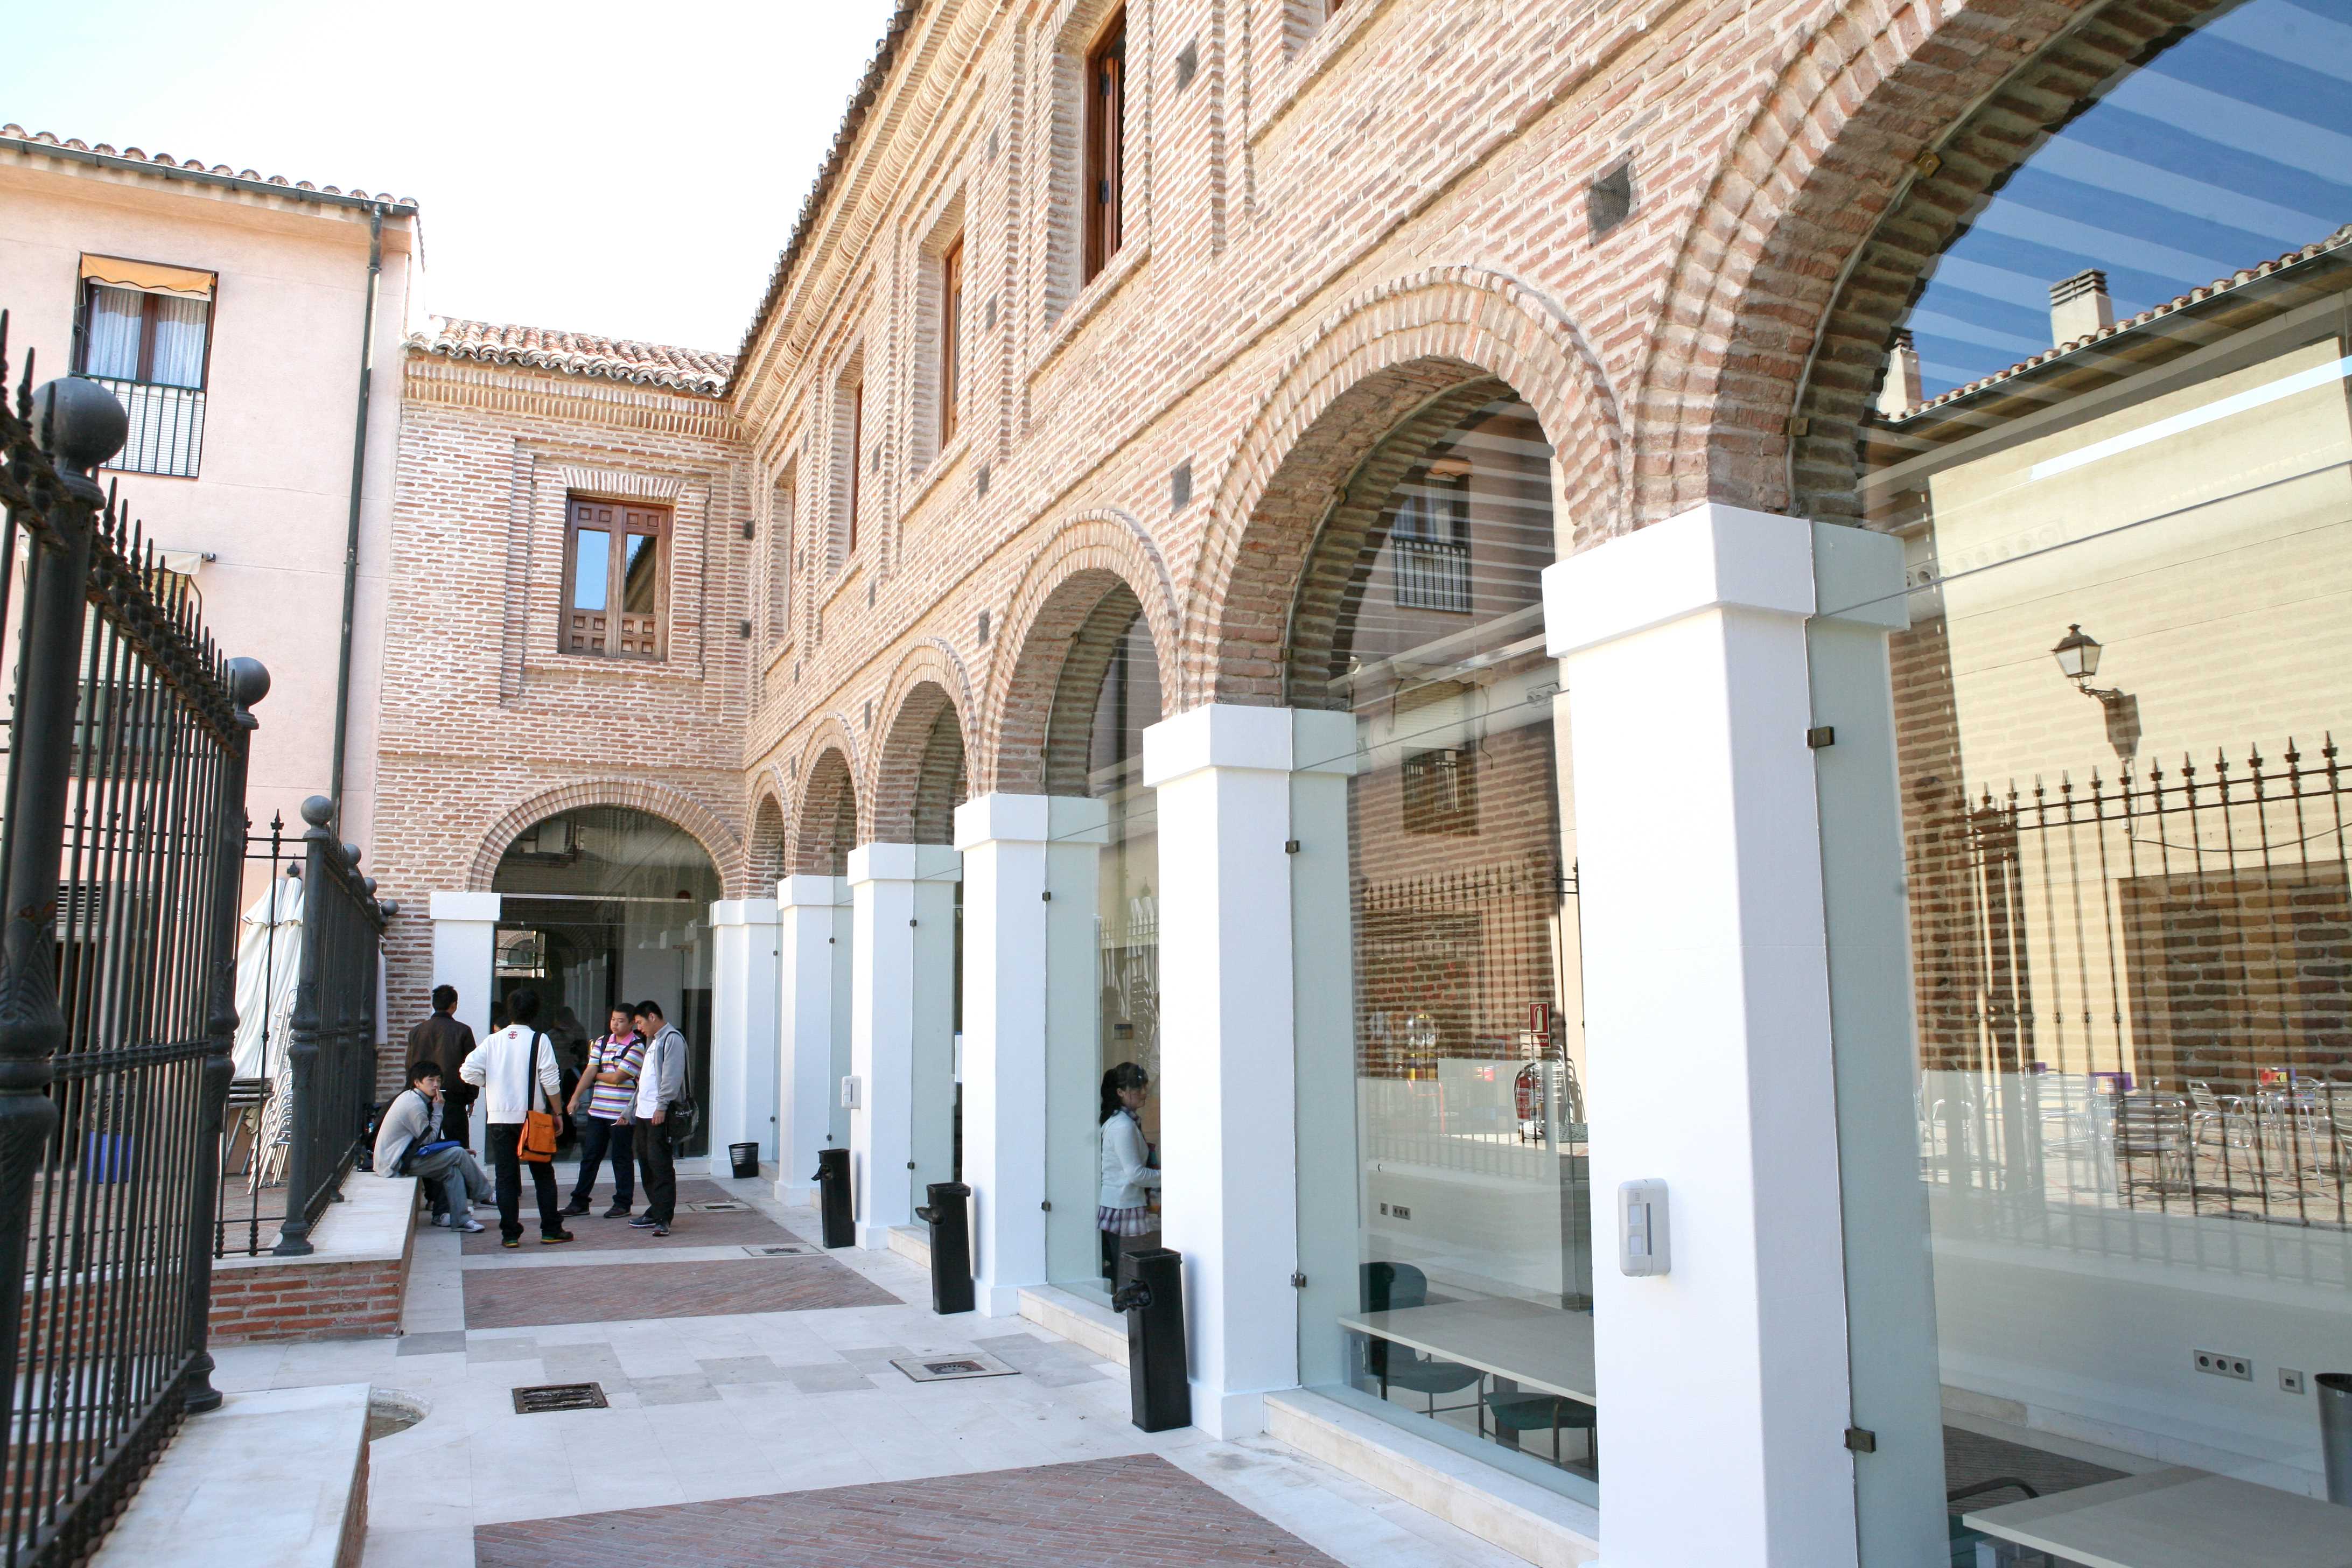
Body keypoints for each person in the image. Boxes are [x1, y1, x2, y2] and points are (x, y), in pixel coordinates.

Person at [458, 986, 573, 1249]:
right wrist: (558, 1112)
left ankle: (510, 1234)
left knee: (506, 1177)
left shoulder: (492, 1041)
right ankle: (551, 1230)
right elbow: (551, 1081)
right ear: (535, 1012)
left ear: (509, 1011)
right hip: (532, 1118)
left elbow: (466, 1072)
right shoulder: (539, 1040)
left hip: (499, 1118)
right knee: (543, 1174)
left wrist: (489, 1083)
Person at [372, 1061, 489, 1232]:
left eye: (439, 1081)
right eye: (430, 1080)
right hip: (395, 1164)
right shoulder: (414, 1104)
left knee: (452, 1169)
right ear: (417, 1083)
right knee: (457, 1154)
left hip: (405, 1156)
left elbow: (425, 1142)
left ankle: (461, 1221)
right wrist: (438, 1109)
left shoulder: (413, 1097)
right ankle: (484, 1195)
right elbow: (429, 1139)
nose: (436, 1085)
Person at [563, 1005, 641, 1217]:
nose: (615, 1024)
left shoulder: (637, 1046)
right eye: (613, 1020)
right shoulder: (602, 1042)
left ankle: (623, 1203)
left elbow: (618, 1078)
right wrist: (575, 1098)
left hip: (621, 1114)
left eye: (621, 1021)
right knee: (590, 1157)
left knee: (621, 1158)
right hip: (598, 1111)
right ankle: (579, 1202)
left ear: (632, 1022)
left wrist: (597, 1074)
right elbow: (590, 1069)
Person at [629, 998, 688, 1236]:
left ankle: (664, 1216)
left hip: (658, 1115)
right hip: (643, 1113)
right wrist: (629, 1111)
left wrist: (662, 1107)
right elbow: (645, 1081)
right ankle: (655, 1209)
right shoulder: (652, 1041)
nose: (639, 1028)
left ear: (652, 1017)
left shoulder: (671, 1039)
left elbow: (671, 1077)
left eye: (640, 1022)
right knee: (646, 1164)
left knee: (660, 1164)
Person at [1097, 1061, 1159, 1282]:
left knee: (1126, 1273)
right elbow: (1136, 1174)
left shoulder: (1121, 1122)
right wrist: (1172, 1177)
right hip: (1124, 1207)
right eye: (1137, 1088)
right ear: (1121, 1092)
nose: (1143, 1093)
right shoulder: (1123, 1125)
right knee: (1130, 1276)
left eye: (1144, 1086)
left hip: (1121, 1205)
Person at [406, 985, 477, 1146]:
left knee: (425, 1144)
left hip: (422, 1096)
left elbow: (410, 1066)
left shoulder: (417, 1031)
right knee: (459, 1147)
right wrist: (471, 1097)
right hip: (454, 1097)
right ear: (454, 1005)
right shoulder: (463, 1031)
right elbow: (471, 1066)